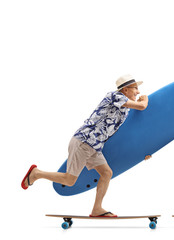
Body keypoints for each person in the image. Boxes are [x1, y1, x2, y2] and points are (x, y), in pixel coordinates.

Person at [21, 74, 151, 217]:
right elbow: (142, 106)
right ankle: (37, 173)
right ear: (125, 90)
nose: (138, 92)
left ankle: (97, 209)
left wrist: (140, 151)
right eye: (135, 89)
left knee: (107, 173)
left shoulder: (124, 107)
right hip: (84, 141)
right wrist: (145, 99)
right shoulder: (115, 96)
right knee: (69, 180)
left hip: (95, 146)